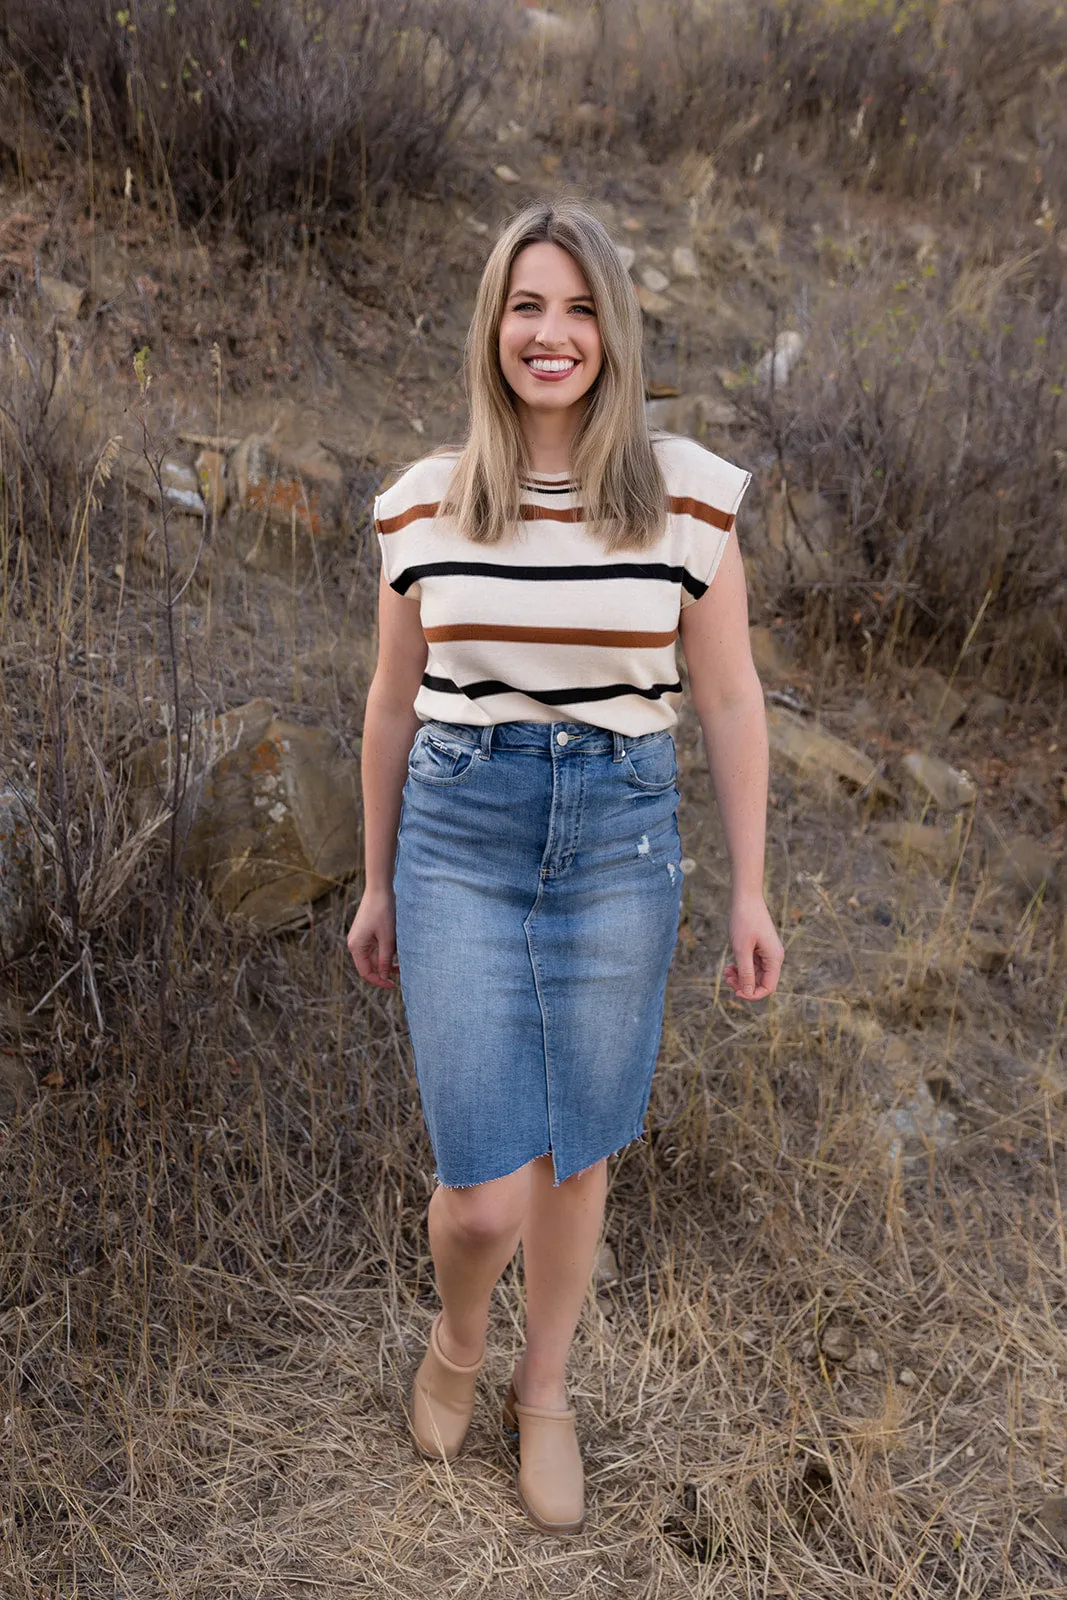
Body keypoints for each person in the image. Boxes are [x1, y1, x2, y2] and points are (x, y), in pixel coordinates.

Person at [346, 199, 783, 1534]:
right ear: (493, 327)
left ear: (613, 332)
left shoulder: (686, 496)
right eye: (528, 306)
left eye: (580, 308)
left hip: (620, 842)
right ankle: (459, 1340)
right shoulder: (423, 500)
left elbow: (728, 702)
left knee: (577, 1156)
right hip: (460, 838)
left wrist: (751, 889)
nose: (554, 334)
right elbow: (385, 704)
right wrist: (373, 883)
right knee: (483, 1192)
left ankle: (544, 1395)